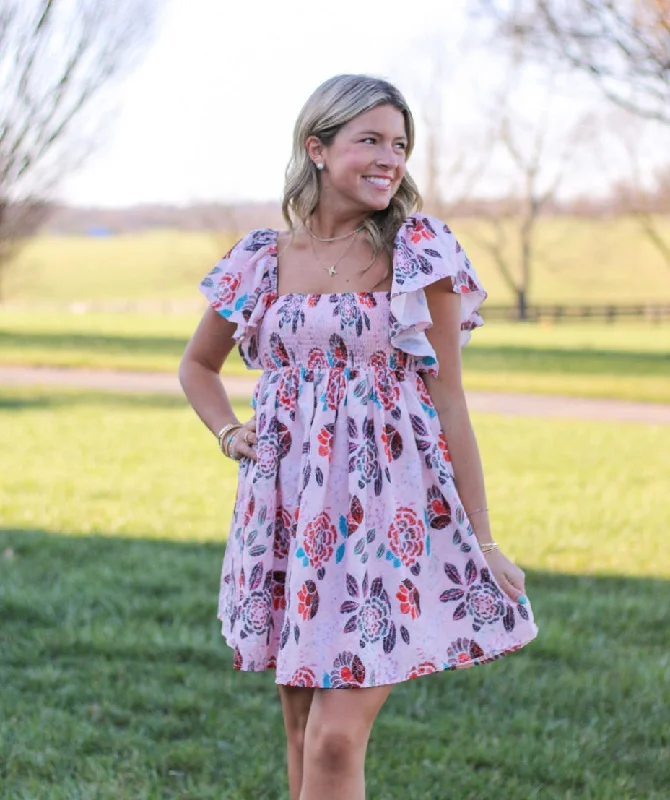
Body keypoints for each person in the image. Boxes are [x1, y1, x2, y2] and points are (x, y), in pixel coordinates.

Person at [179, 73, 538, 800]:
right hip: (287, 509)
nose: (391, 158)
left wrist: (484, 537)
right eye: (370, 140)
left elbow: (450, 400)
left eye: (400, 144)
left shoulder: (419, 252)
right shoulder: (259, 258)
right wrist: (229, 432)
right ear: (316, 148)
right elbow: (197, 366)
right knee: (302, 729)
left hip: (389, 514)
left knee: (336, 741)